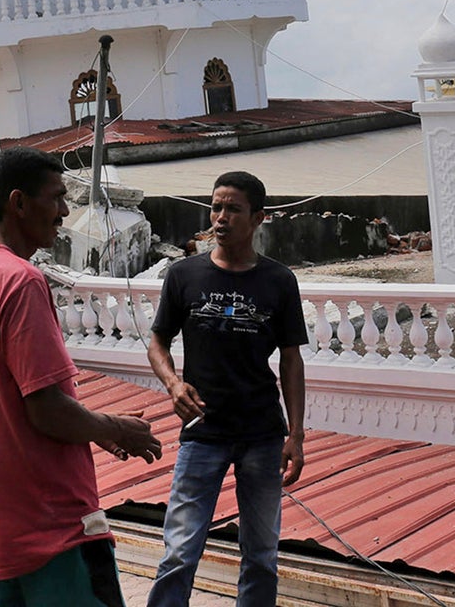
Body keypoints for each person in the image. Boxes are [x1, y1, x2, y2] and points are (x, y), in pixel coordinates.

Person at [0, 146, 163, 606]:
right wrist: (116, 429)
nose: (66, 211)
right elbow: (45, 409)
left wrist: (93, 425)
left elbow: (17, 397)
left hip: (2, 513)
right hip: (51, 519)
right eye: (56, 197)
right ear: (19, 203)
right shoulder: (20, 280)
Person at [146, 170, 307, 607]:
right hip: (203, 433)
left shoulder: (278, 281)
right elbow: (158, 342)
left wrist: (296, 434)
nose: (220, 217)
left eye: (233, 209)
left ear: (258, 218)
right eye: (216, 207)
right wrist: (173, 384)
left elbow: (291, 360)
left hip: (262, 435)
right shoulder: (183, 275)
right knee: (179, 552)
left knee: (260, 556)